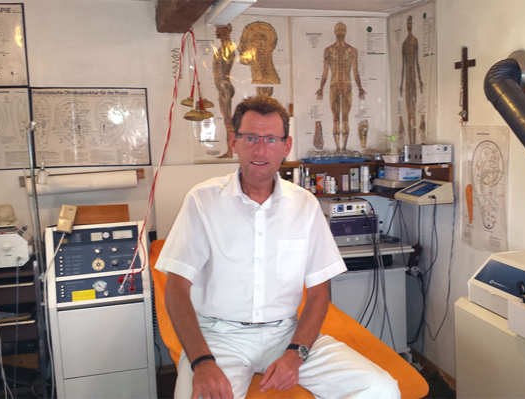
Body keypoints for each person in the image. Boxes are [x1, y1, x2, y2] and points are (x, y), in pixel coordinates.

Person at [156, 96, 400, 399]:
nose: (260, 149)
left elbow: (319, 294)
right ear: (234, 141)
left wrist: (296, 353)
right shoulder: (202, 200)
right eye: (250, 138)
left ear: (286, 146)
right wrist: (202, 362)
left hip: (285, 334)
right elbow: (176, 289)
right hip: (220, 337)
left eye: (271, 139)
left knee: (382, 389)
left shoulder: (305, 205)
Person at [315, 22, 366, 152]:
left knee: (346, 119)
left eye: (342, 30)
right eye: (338, 30)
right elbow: (325, 72)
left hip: (347, 85)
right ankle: (338, 148)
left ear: (345, 32)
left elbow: (355, 71)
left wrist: (360, 87)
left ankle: (344, 148)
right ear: (334, 32)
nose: (340, 32)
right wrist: (321, 88)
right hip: (334, 86)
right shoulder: (328, 50)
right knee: (336, 119)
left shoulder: (352, 51)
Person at [399, 15, 424, 145]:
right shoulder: (403, 44)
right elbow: (403, 66)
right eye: (407, 23)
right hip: (407, 79)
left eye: (410, 23)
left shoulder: (415, 41)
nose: (409, 25)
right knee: (409, 113)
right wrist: (400, 84)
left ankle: (414, 142)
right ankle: (410, 142)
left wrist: (419, 80)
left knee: (413, 112)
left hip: (413, 77)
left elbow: (417, 62)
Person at [213, 24, 236, 159]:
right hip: (222, 86)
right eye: (217, 29)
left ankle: (230, 151)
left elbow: (223, 69)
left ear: (227, 31)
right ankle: (230, 151)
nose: (217, 31)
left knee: (228, 122)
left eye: (221, 29)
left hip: (224, 87)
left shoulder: (227, 47)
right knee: (226, 121)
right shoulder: (223, 47)